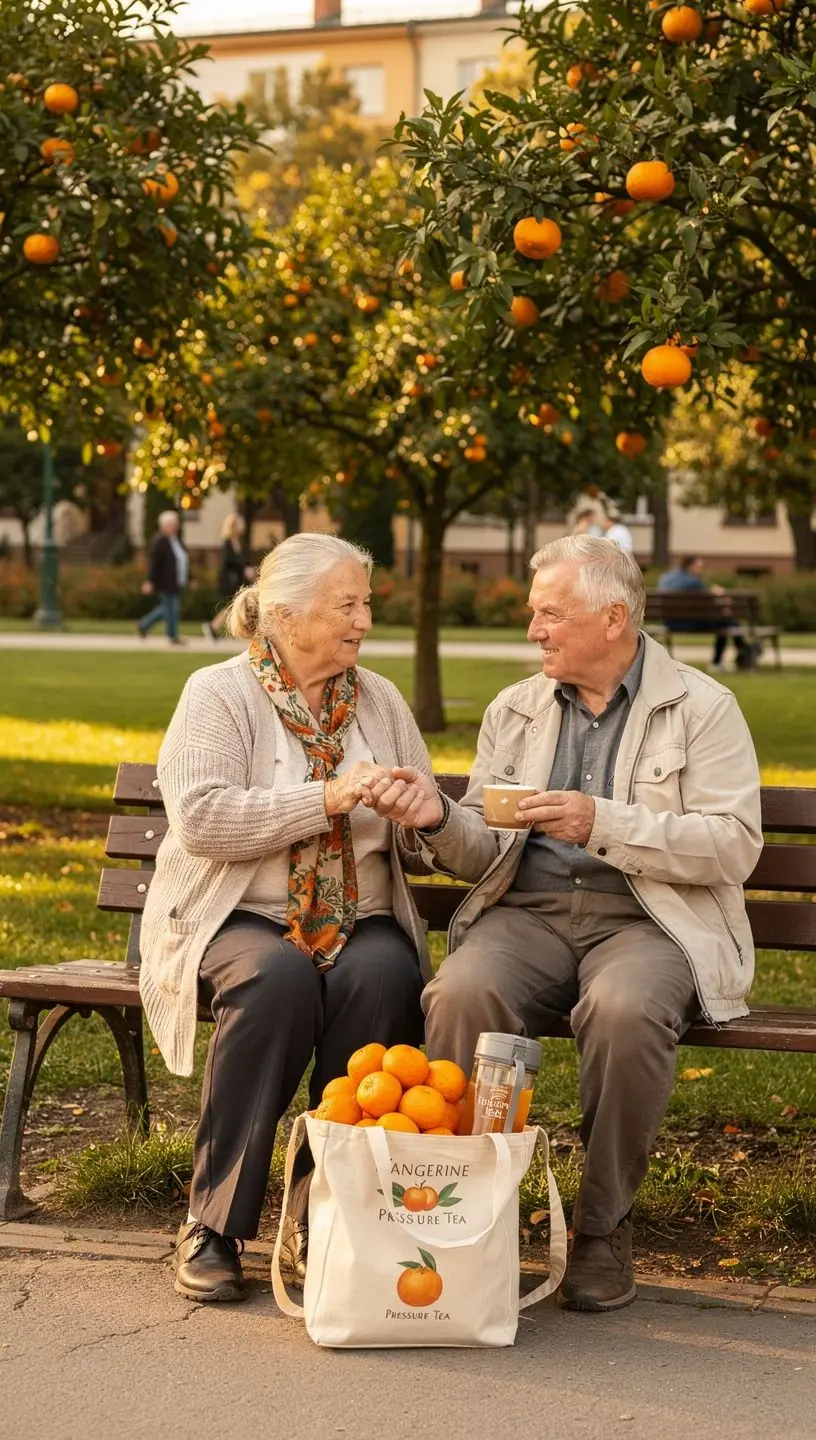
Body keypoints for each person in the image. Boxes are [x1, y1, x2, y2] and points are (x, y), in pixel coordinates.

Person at [360, 536, 762, 1314]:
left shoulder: (702, 707)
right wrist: (439, 816)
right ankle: (464, 1219)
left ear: (613, 618)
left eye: (550, 614)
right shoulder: (517, 708)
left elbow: (734, 846)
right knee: (461, 993)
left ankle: (603, 1229)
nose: (534, 630)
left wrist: (600, 822)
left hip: (649, 918)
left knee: (624, 1010)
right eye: (533, 614)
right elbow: (482, 845)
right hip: (530, 914)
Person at [139, 533, 436, 1304]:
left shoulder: (380, 701)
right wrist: (328, 796)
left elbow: (422, 834)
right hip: (236, 914)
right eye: (348, 604)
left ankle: (321, 1216)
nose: (364, 620)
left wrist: (418, 815)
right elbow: (203, 820)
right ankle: (214, 1223)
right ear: (283, 613)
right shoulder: (219, 694)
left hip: (356, 914)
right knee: (277, 980)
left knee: (382, 973)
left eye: (365, 603)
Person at [658, 555, 752, 672]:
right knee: (727, 621)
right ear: (691, 566)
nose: (701, 570)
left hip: (671, 623)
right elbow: (710, 605)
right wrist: (717, 593)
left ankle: (744, 650)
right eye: (699, 567)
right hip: (691, 623)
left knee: (727, 620)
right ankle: (724, 659)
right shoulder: (693, 582)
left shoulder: (665, 579)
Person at [202, 512, 256, 643]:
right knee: (231, 605)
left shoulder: (240, 543)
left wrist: (249, 568)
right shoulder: (226, 543)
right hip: (230, 579)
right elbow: (229, 560)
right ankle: (214, 626)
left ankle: (217, 627)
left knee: (234, 605)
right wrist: (244, 567)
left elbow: (244, 558)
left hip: (240, 579)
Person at [137, 510, 189, 645]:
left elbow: (182, 560)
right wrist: (150, 581)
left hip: (176, 581)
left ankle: (144, 624)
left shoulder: (175, 540)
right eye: (173, 523)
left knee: (167, 608)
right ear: (165, 525)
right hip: (165, 581)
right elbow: (155, 563)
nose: (176, 526)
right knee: (171, 608)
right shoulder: (160, 540)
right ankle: (173, 636)